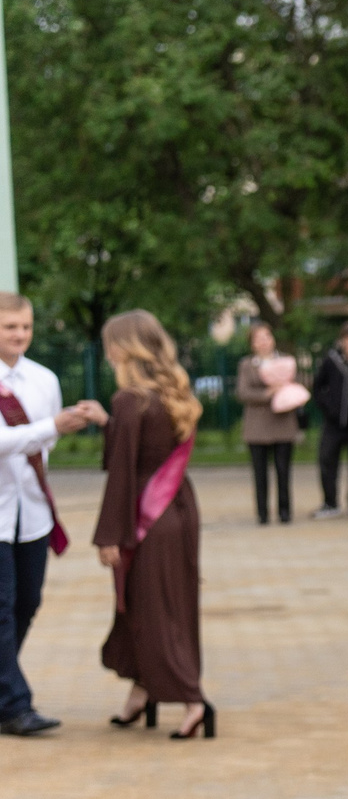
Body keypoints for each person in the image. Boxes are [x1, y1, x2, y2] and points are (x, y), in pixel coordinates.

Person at [95, 310, 211, 740]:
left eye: (110, 344)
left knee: (151, 609)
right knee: (170, 601)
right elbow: (150, 448)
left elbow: (122, 471)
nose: (107, 353)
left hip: (147, 513)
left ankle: (193, 700)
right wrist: (109, 425)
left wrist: (109, 535)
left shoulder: (130, 400)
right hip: (179, 507)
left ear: (123, 348)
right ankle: (142, 690)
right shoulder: (172, 394)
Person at [0, 294, 102, 737]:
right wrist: (48, 428)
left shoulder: (44, 379)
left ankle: (4, 691)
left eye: (25, 326)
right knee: (1, 609)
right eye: (10, 327)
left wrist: (52, 430)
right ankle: (14, 705)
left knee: (27, 602)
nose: (20, 334)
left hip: (33, 510)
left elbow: (48, 443)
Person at [235, 321, 301, 527]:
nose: (263, 342)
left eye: (267, 337)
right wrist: (267, 393)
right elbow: (243, 392)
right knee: (260, 473)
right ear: (252, 343)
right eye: (258, 339)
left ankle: (285, 512)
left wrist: (286, 389)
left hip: (283, 424)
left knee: (283, 471)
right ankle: (262, 514)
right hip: (257, 427)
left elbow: (299, 384)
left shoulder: (287, 361)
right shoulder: (247, 365)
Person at [310, 322, 348, 519]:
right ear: (342, 341)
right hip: (333, 423)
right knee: (326, 460)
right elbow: (318, 387)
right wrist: (329, 408)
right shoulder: (331, 360)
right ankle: (330, 502)